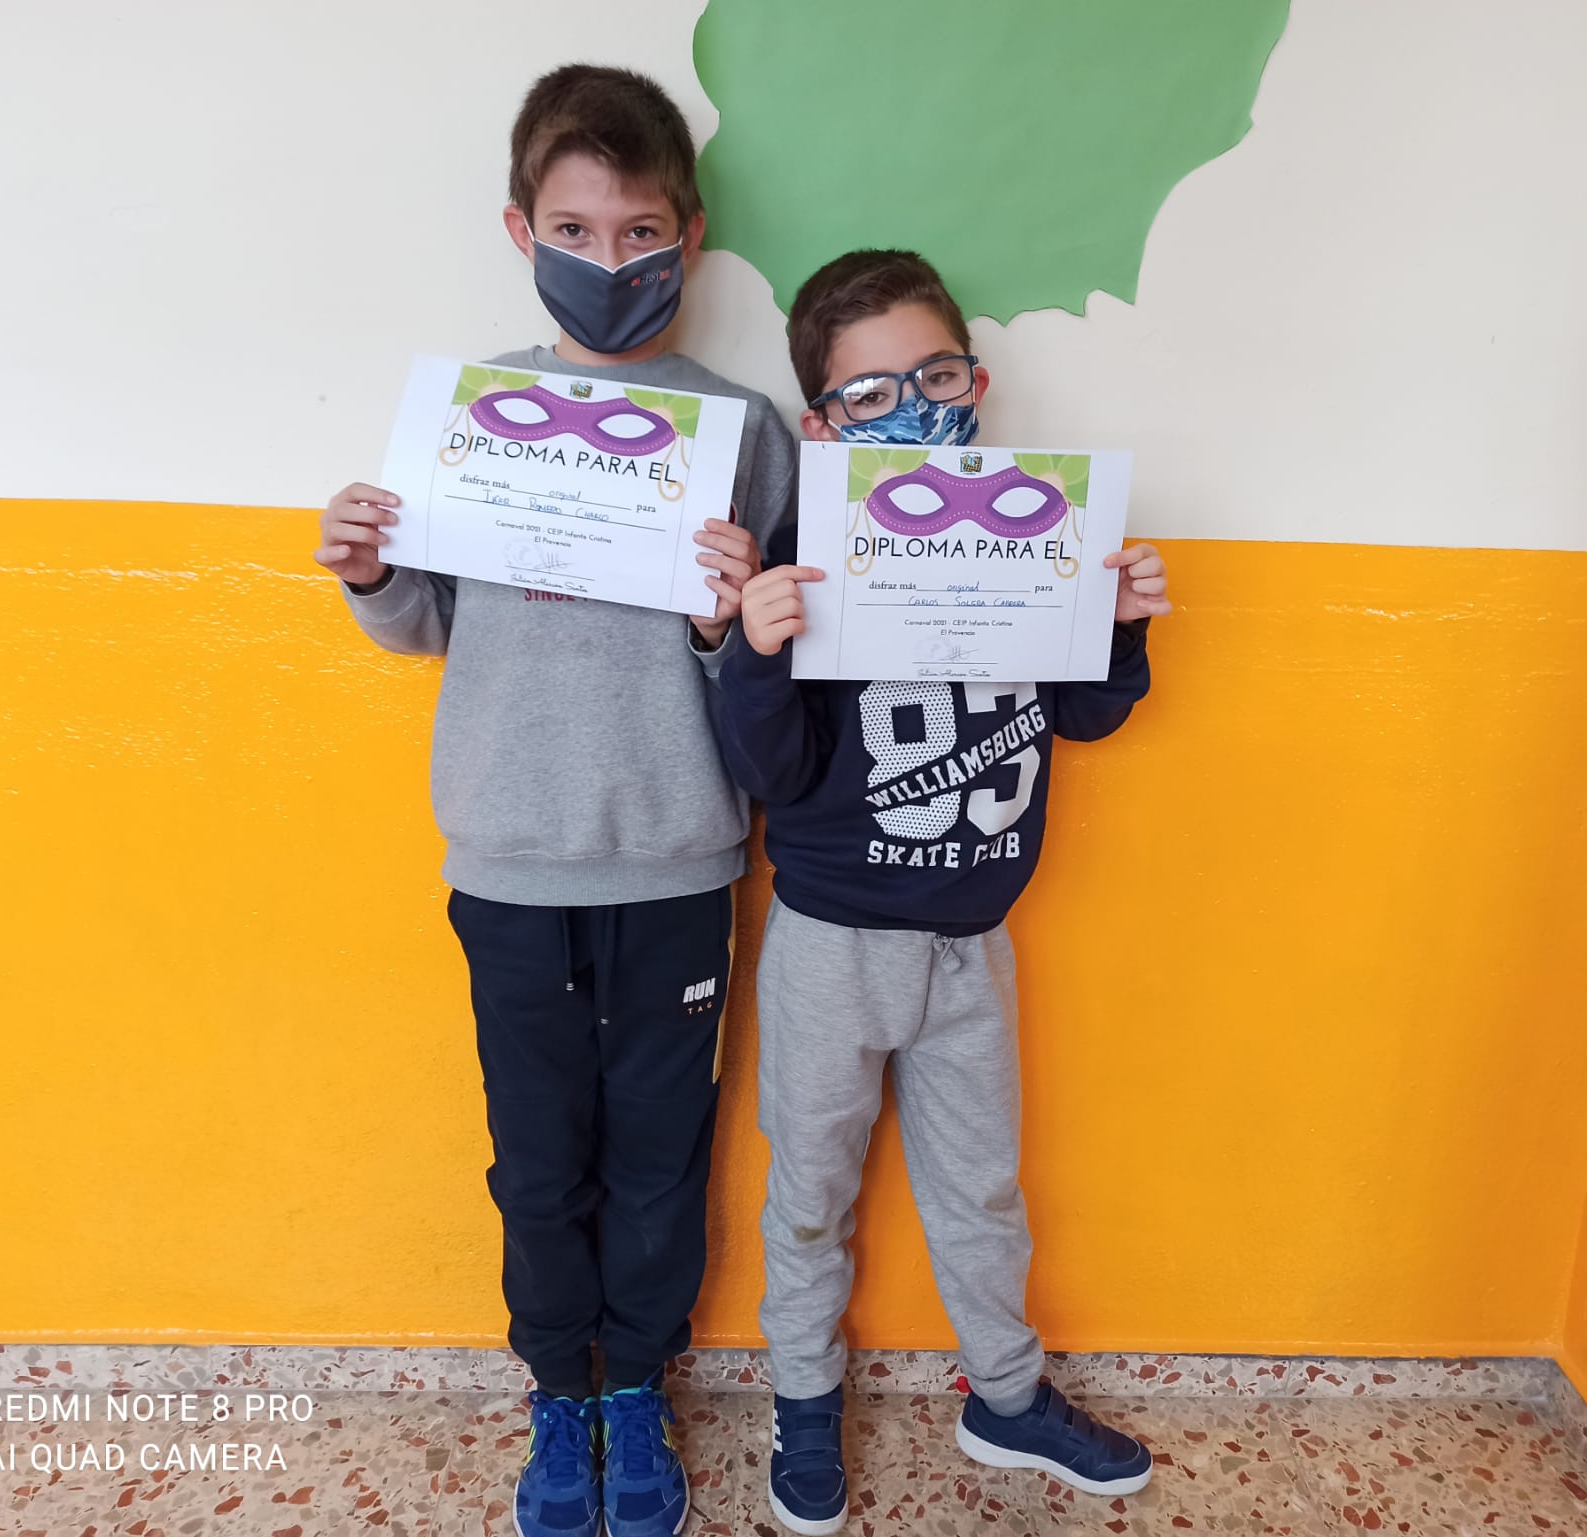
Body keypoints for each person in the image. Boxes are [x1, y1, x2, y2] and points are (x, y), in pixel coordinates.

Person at [313, 65, 795, 1537]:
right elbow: (429, 624)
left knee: (659, 1155)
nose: (610, 259)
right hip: (511, 858)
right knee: (536, 1157)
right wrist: (372, 572)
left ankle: (634, 1383)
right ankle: (557, 1390)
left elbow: (777, 660)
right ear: (522, 231)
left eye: (640, 231)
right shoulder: (475, 416)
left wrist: (724, 621)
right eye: (576, 231)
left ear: (689, 235)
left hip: (679, 859)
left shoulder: (746, 430)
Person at [715, 249, 1172, 1535]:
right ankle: (804, 1395)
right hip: (832, 943)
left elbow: (1083, 713)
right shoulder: (804, 560)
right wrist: (756, 652)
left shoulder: (1039, 530)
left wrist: (1118, 621)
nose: (912, 407)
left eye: (934, 376)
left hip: (973, 941)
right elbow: (768, 769)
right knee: (809, 1189)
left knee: (980, 1188)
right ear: (820, 425)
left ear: (977, 380)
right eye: (869, 394)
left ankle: (1006, 1395)